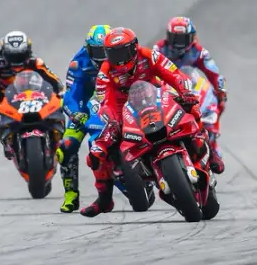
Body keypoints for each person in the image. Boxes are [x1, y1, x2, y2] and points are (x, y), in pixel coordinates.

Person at [81, 27, 201, 217]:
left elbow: (175, 74)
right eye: (114, 54)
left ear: (134, 47)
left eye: (123, 52)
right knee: (96, 152)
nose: (119, 60)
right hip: (124, 109)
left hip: (157, 98)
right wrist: (112, 121)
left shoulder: (149, 55)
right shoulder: (105, 72)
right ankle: (104, 199)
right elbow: (106, 102)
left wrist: (185, 92)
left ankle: (207, 155)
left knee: (192, 109)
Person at [154, 16, 228, 173]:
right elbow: (148, 69)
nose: (179, 44)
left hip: (190, 87)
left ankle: (212, 146)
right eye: (175, 38)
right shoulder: (159, 49)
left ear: (192, 37)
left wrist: (220, 90)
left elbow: (214, 72)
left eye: (183, 39)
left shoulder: (199, 52)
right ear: (168, 37)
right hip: (167, 88)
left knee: (218, 104)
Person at [0, 31, 64, 158]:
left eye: (21, 55)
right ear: (4, 52)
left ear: (28, 51)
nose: (17, 61)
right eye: (12, 56)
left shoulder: (36, 62)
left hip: (34, 95)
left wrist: (61, 92)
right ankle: (6, 138)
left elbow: (54, 81)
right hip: (2, 98)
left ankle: (58, 138)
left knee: (61, 104)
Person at [56, 24, 110, 213]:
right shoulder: (78, 63)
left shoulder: (121, 58)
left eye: (106, 50)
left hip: (115, 106)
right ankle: (71, 195)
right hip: (86, 108)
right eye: (97, 51)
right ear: (88, 48)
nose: (102, 56)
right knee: (65, 147)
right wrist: (75, 113)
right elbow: (70, 95)